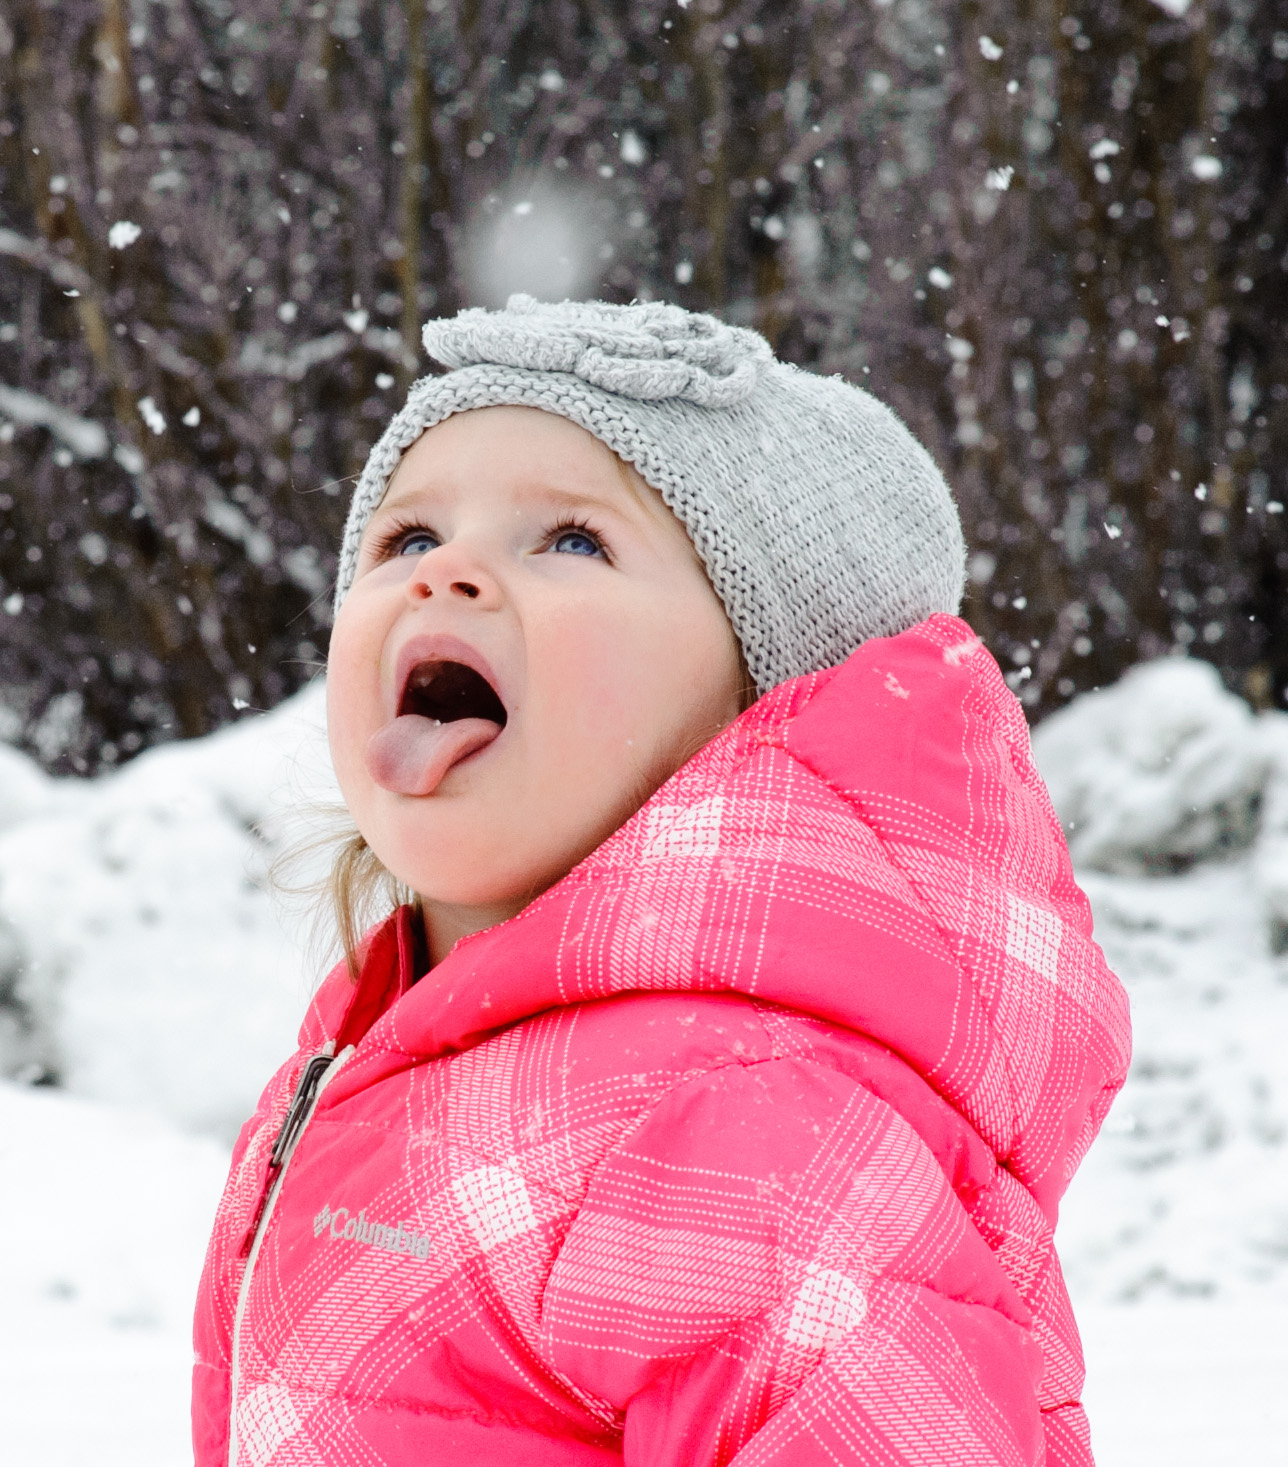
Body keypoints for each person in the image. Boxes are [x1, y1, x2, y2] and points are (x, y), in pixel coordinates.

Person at [191, 298, 1131, 1467]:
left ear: (760, 704)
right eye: (407, 540)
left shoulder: (735, 1127)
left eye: (572, 541)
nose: (452, 576)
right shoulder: (376, 1061)